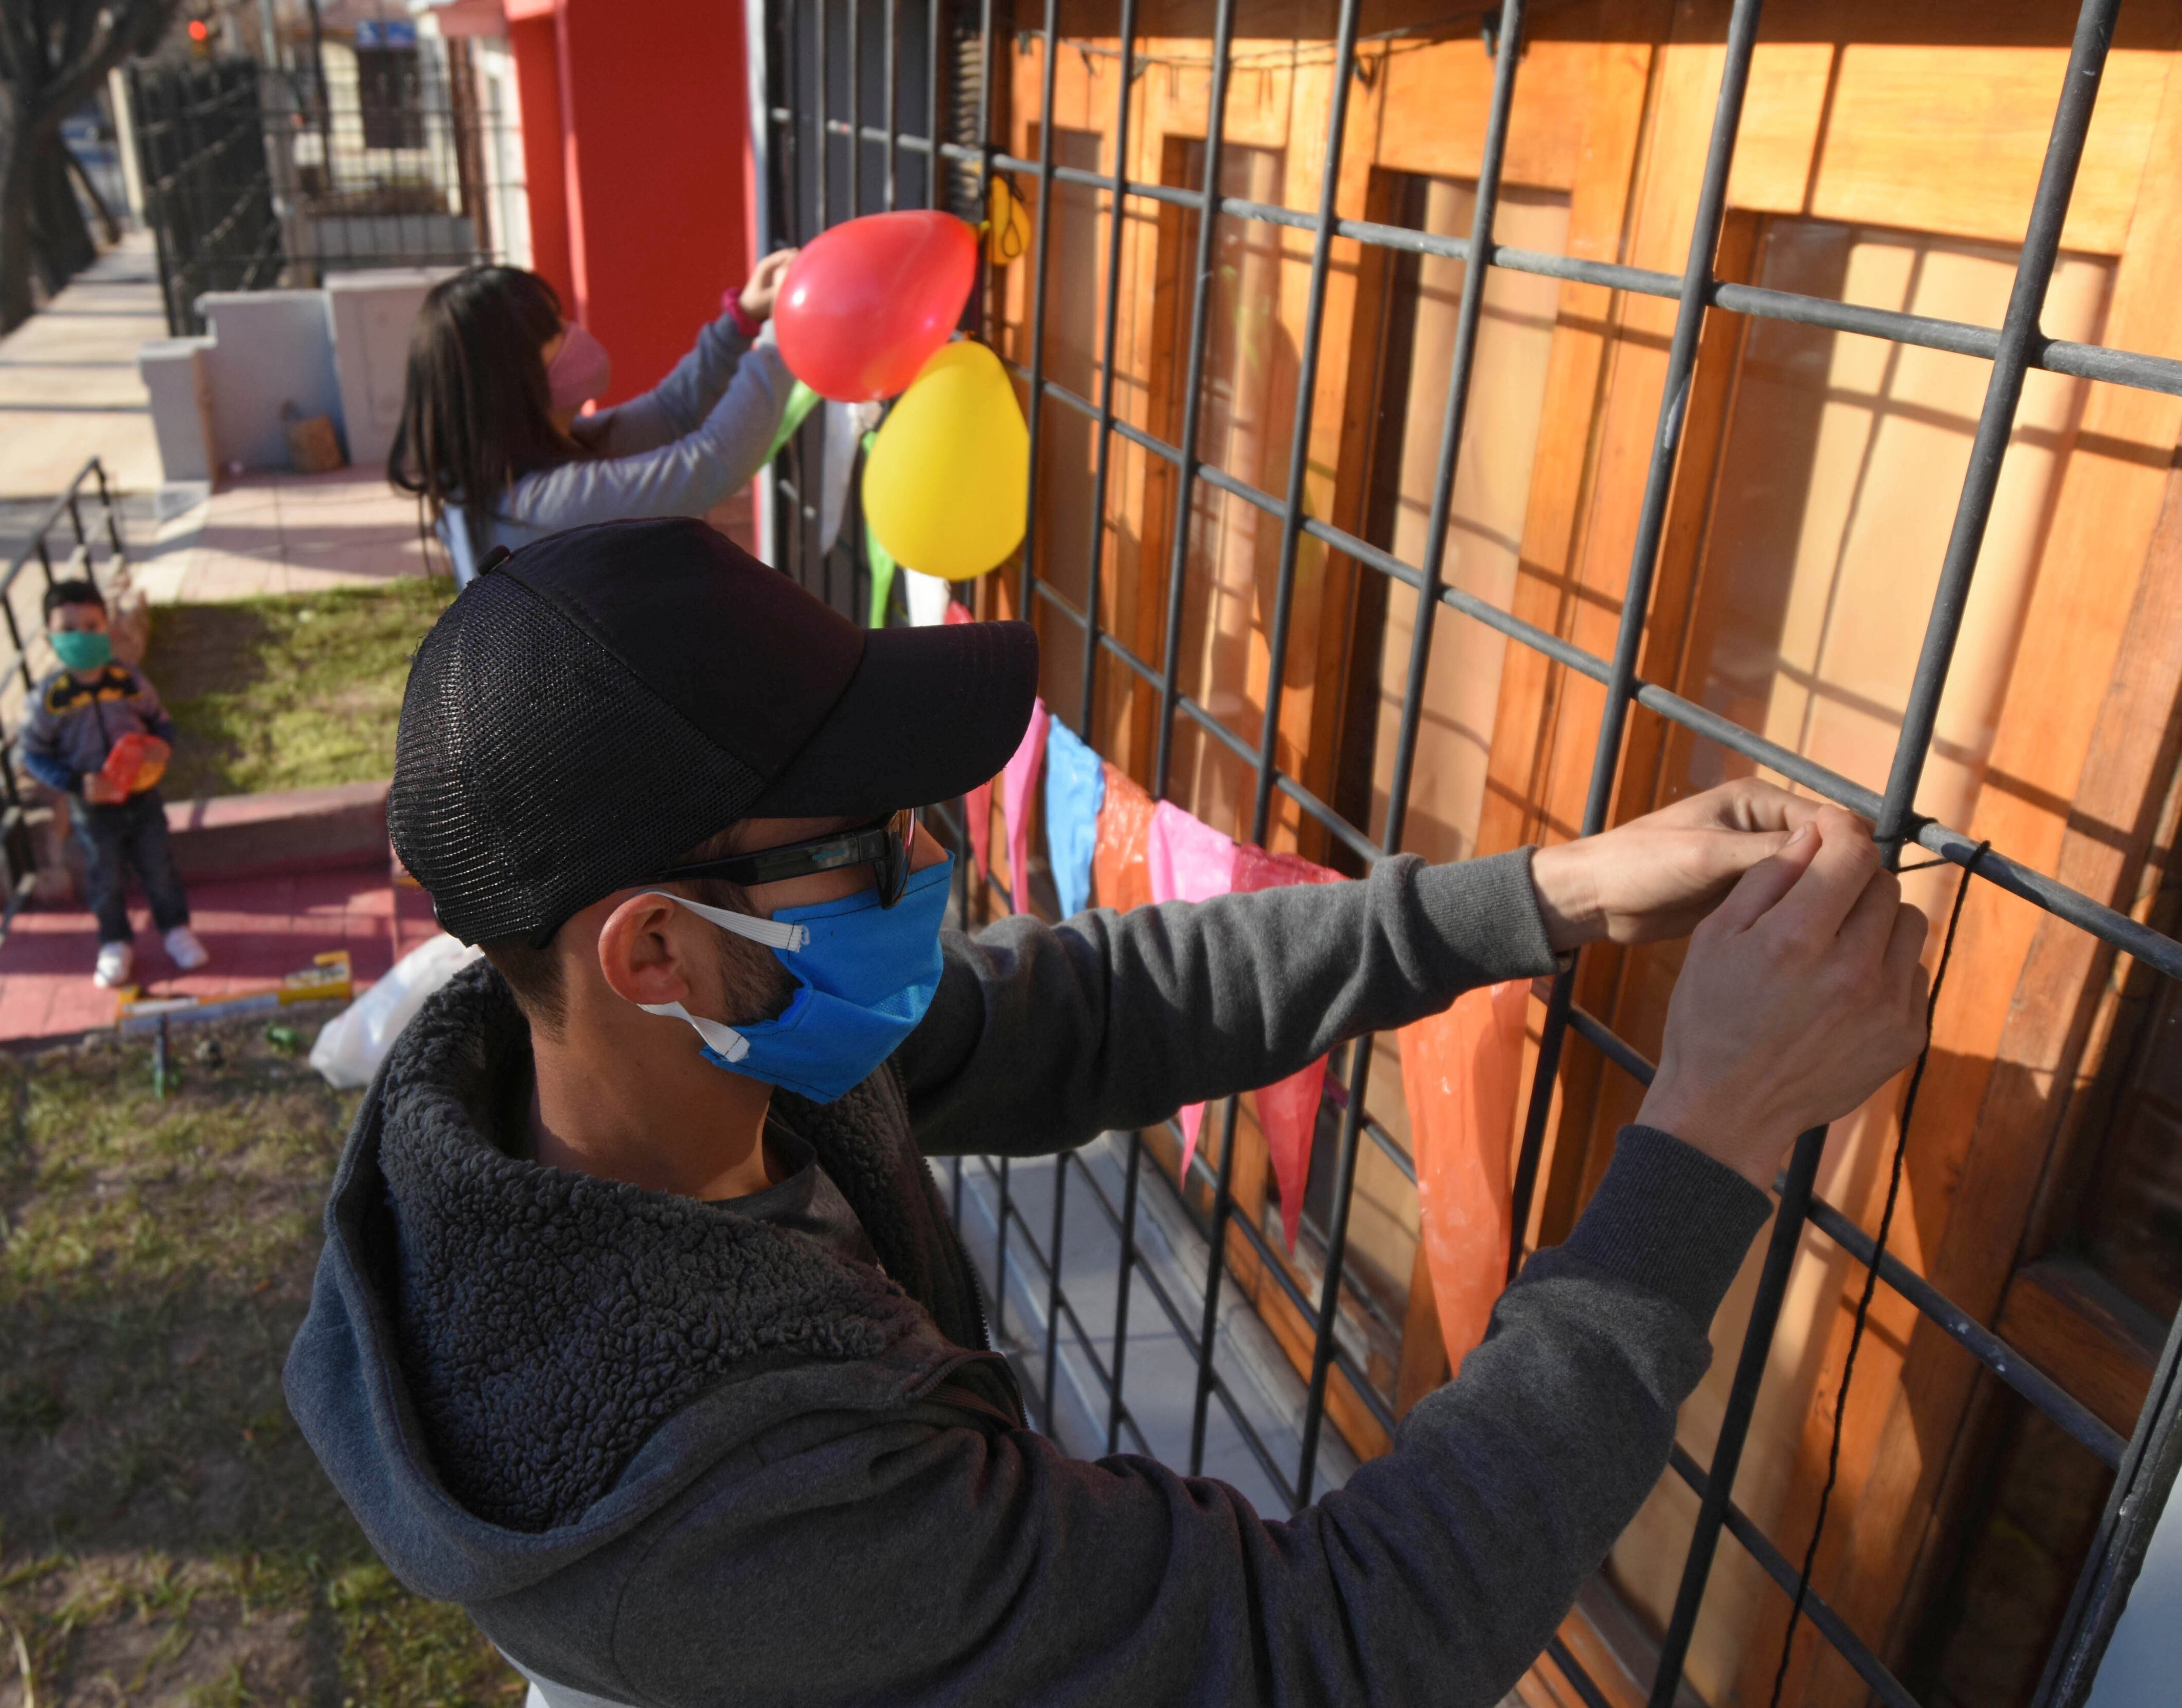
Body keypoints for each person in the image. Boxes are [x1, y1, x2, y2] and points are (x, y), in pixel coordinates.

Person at [285, 519, 1931, 1707]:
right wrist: (1710, 1133)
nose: (934, 862)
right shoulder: (730, 1500)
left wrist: (1540, 896)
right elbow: (1328, 1648)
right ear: (650, 945)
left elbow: (1090, 1009)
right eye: (862, 840)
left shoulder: (656, 1057)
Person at [387, 254, 801, 584]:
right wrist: (782, 341)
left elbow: (672, 413)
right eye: (552, 329)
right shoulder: (536, 508)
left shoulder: (503, 474)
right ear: (506, 381)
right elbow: (711, 466)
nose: (571, 331)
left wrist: (741, 322)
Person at [16, 580, 207, 990]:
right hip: (93, 804)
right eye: (68, 628)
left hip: (142, 793)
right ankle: (114, 942)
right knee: (103, 875)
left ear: (107, 628)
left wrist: (162, 747)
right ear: (50, 636)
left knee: (158, 864)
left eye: (91, 625)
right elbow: (32, 754)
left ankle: (176, 929)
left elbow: (161, 721)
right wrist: (74, 783)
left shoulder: (129, 680)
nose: (81, 636)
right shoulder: (49, 699)